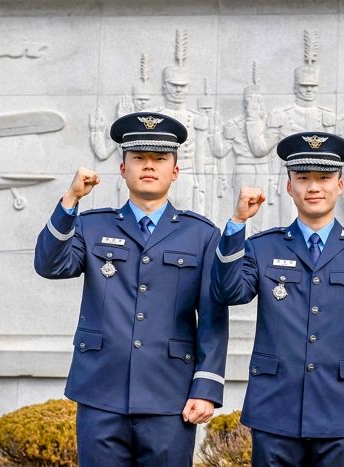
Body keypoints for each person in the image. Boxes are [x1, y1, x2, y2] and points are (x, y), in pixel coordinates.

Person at [34, 112, 228, 467]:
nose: (149, 166)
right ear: (123, 169)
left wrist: (206, 388)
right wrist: (69, 201)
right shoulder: (91, 226)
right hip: (99, 391)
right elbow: (49, 265)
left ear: (176, 170)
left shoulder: (202, 235)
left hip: (170, 395)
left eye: (159, 159)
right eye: (138, 158)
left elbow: (213, 318)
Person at [210, 132, 344, 466]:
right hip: (275, 409)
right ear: (288, 186)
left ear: (340, 185)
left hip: (341, 412)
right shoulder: (262, 246)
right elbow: (226, 292)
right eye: (303, 178)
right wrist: (237, 225)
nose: (314, 187)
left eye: (324, 178)